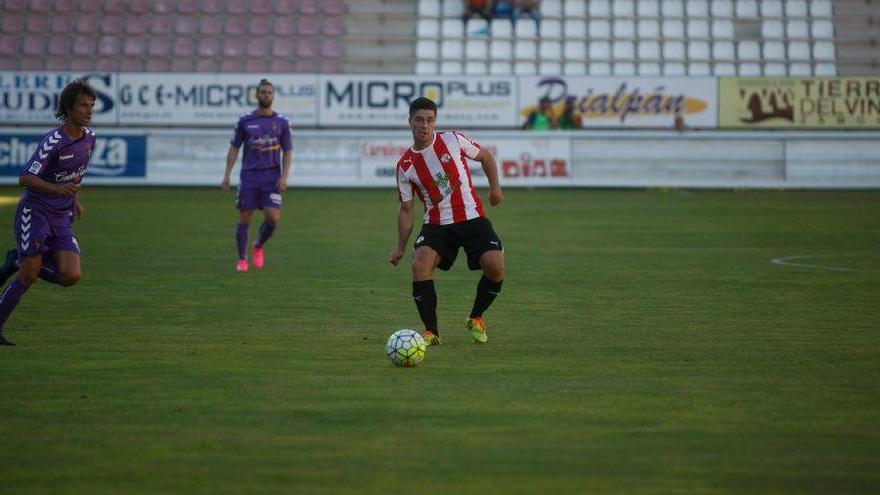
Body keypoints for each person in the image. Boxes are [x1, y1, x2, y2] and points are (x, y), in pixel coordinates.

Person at [389, 97, 505, 346]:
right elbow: (406, 210)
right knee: (419, 265)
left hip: (472, 216)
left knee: (495, 266)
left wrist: (495, 189)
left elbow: (485, 156)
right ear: (410, 122)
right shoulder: (405, 165)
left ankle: (475, 318)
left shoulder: (452, 139)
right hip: (437, 224)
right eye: (419, 120)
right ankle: (431, 332)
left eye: (429, 120)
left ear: (435, 122)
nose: (424, 125)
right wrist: (400, 247)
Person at [0, 80, 97, 346]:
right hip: (36, 211)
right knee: (29, 275)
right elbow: (25, 178)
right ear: (68, 108)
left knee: (71, 276)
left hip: (62, 215)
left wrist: (74, 198)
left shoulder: (90, 138)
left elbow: (76, 174)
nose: (88, 111)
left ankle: (16, 260)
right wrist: (56, 189)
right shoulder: (54, 140)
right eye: (83, 106)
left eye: (91, 106)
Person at [222, 79, 293, 272]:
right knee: (245, 217)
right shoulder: (245, 121)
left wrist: (284, 176)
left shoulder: (282, 123)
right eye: (263, 92)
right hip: (249, 177)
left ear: (273, 95)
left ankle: (258, 245)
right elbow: (234, 148)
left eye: (269, 92)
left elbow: (287, 151)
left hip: (272, 177)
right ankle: (242, 259)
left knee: (273, 218)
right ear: (257, 95)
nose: (266, 95)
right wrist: (227, 174)